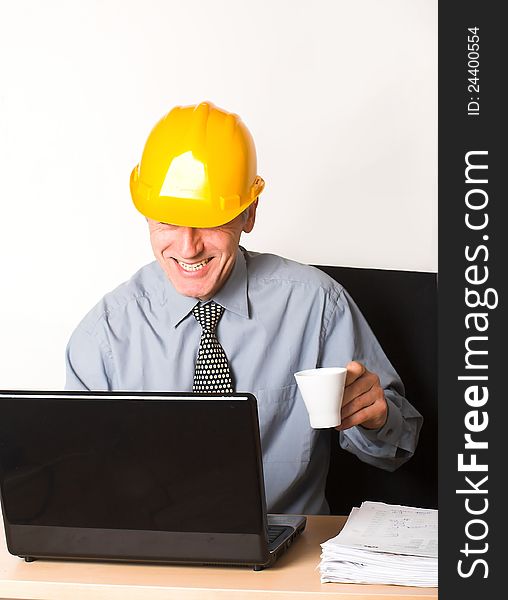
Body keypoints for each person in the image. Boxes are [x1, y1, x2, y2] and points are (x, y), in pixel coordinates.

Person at [65, 101, 423, 515]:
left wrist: (375, 420)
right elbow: (83, 490)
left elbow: (399, 448)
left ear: (249, 213)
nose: (188, 247)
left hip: (289, 562)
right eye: (167, 220)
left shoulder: (317, 305)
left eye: (209, 222)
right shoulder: (102, 338)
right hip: (153, 563)